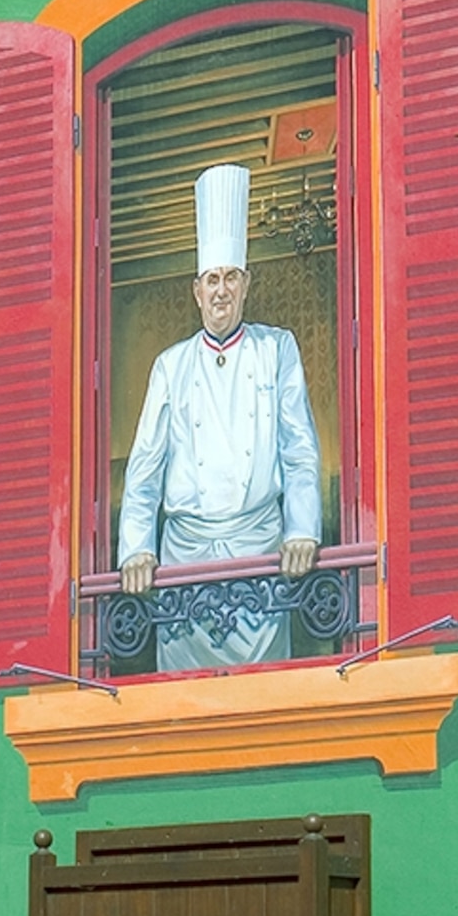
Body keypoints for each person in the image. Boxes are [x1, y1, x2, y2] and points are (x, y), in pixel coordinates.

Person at [116, 163, 323, 671]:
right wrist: (136, 550)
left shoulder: (278, 350)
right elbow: (144, 471)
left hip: (260, 557)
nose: (221, 291)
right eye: (212, 280)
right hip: (187, 561)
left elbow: (299, 452)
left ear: (247, 284)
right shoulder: (171, 365)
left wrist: (303, 530)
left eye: (231, 277)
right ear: (197, 290)